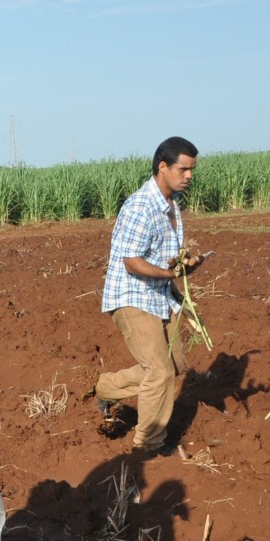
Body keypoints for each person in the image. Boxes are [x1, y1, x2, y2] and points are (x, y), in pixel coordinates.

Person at [91, 137, 209, 455]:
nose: (189, 176)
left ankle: (106, 387)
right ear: (163, 167)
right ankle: (147, 445)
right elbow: (131, 260)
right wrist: (171, 274)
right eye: (184, 169)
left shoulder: (172, 206)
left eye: (192, 170)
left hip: (159, 294)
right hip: (131, 295)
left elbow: (163, 256)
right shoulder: (141, 205)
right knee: (159, 370)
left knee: (174, 363)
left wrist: (184, 266)